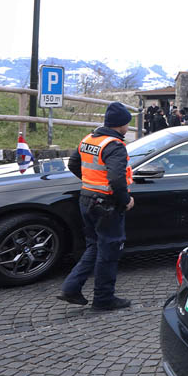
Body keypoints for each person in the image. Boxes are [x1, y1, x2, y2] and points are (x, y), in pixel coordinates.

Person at [57, 102, 135, 311]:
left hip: (86, 200)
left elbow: (74, 164)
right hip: (106, 205)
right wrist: (126, 200)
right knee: (109, 250)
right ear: (122, 124)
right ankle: (103, 299)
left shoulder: (89, 139)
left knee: (94, 246)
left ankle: (71, 288)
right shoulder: (115, 145)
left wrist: (91, 184)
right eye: (128, 123)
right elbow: (117, 180)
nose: (128, 127)